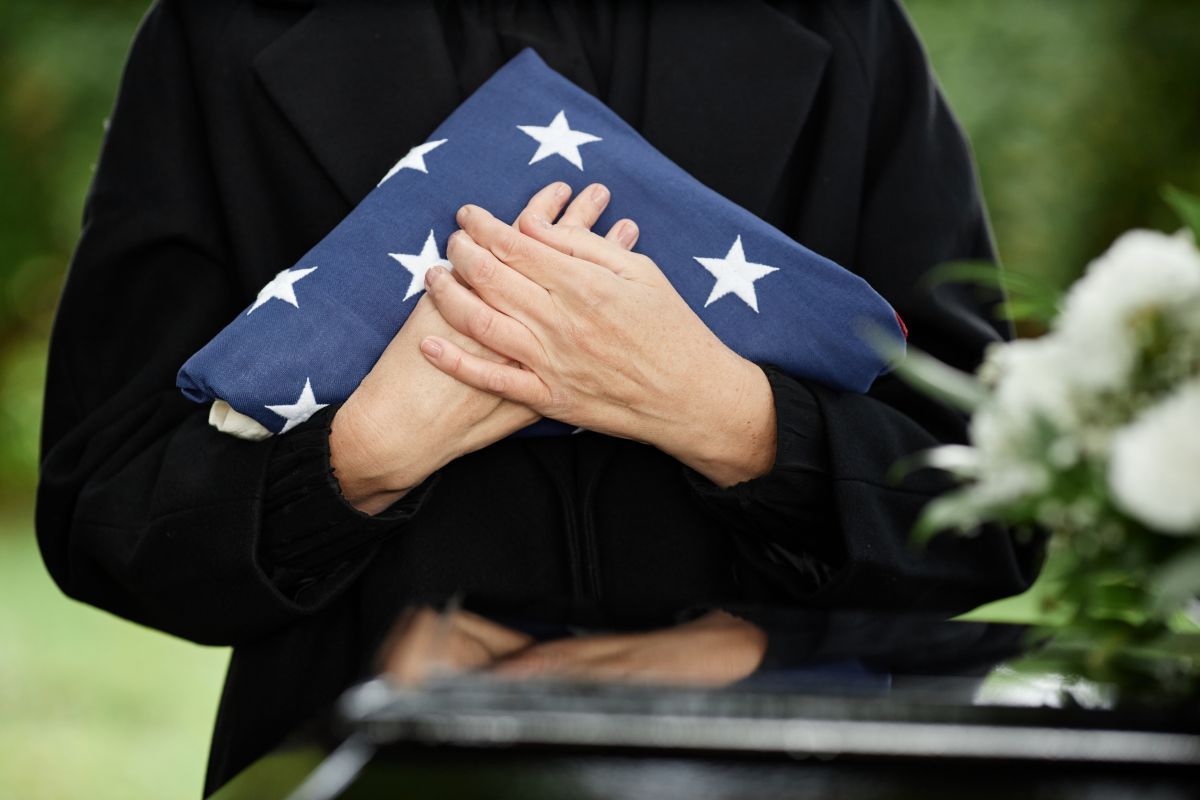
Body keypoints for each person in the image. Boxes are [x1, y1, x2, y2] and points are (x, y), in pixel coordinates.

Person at [35, 0, 1041, 794]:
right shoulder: (214, 27)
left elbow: (1002, 506)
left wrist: (728, 414)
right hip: (364, 768)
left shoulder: (842, 20)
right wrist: (363, 453)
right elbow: (101, 516)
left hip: (770, 764)